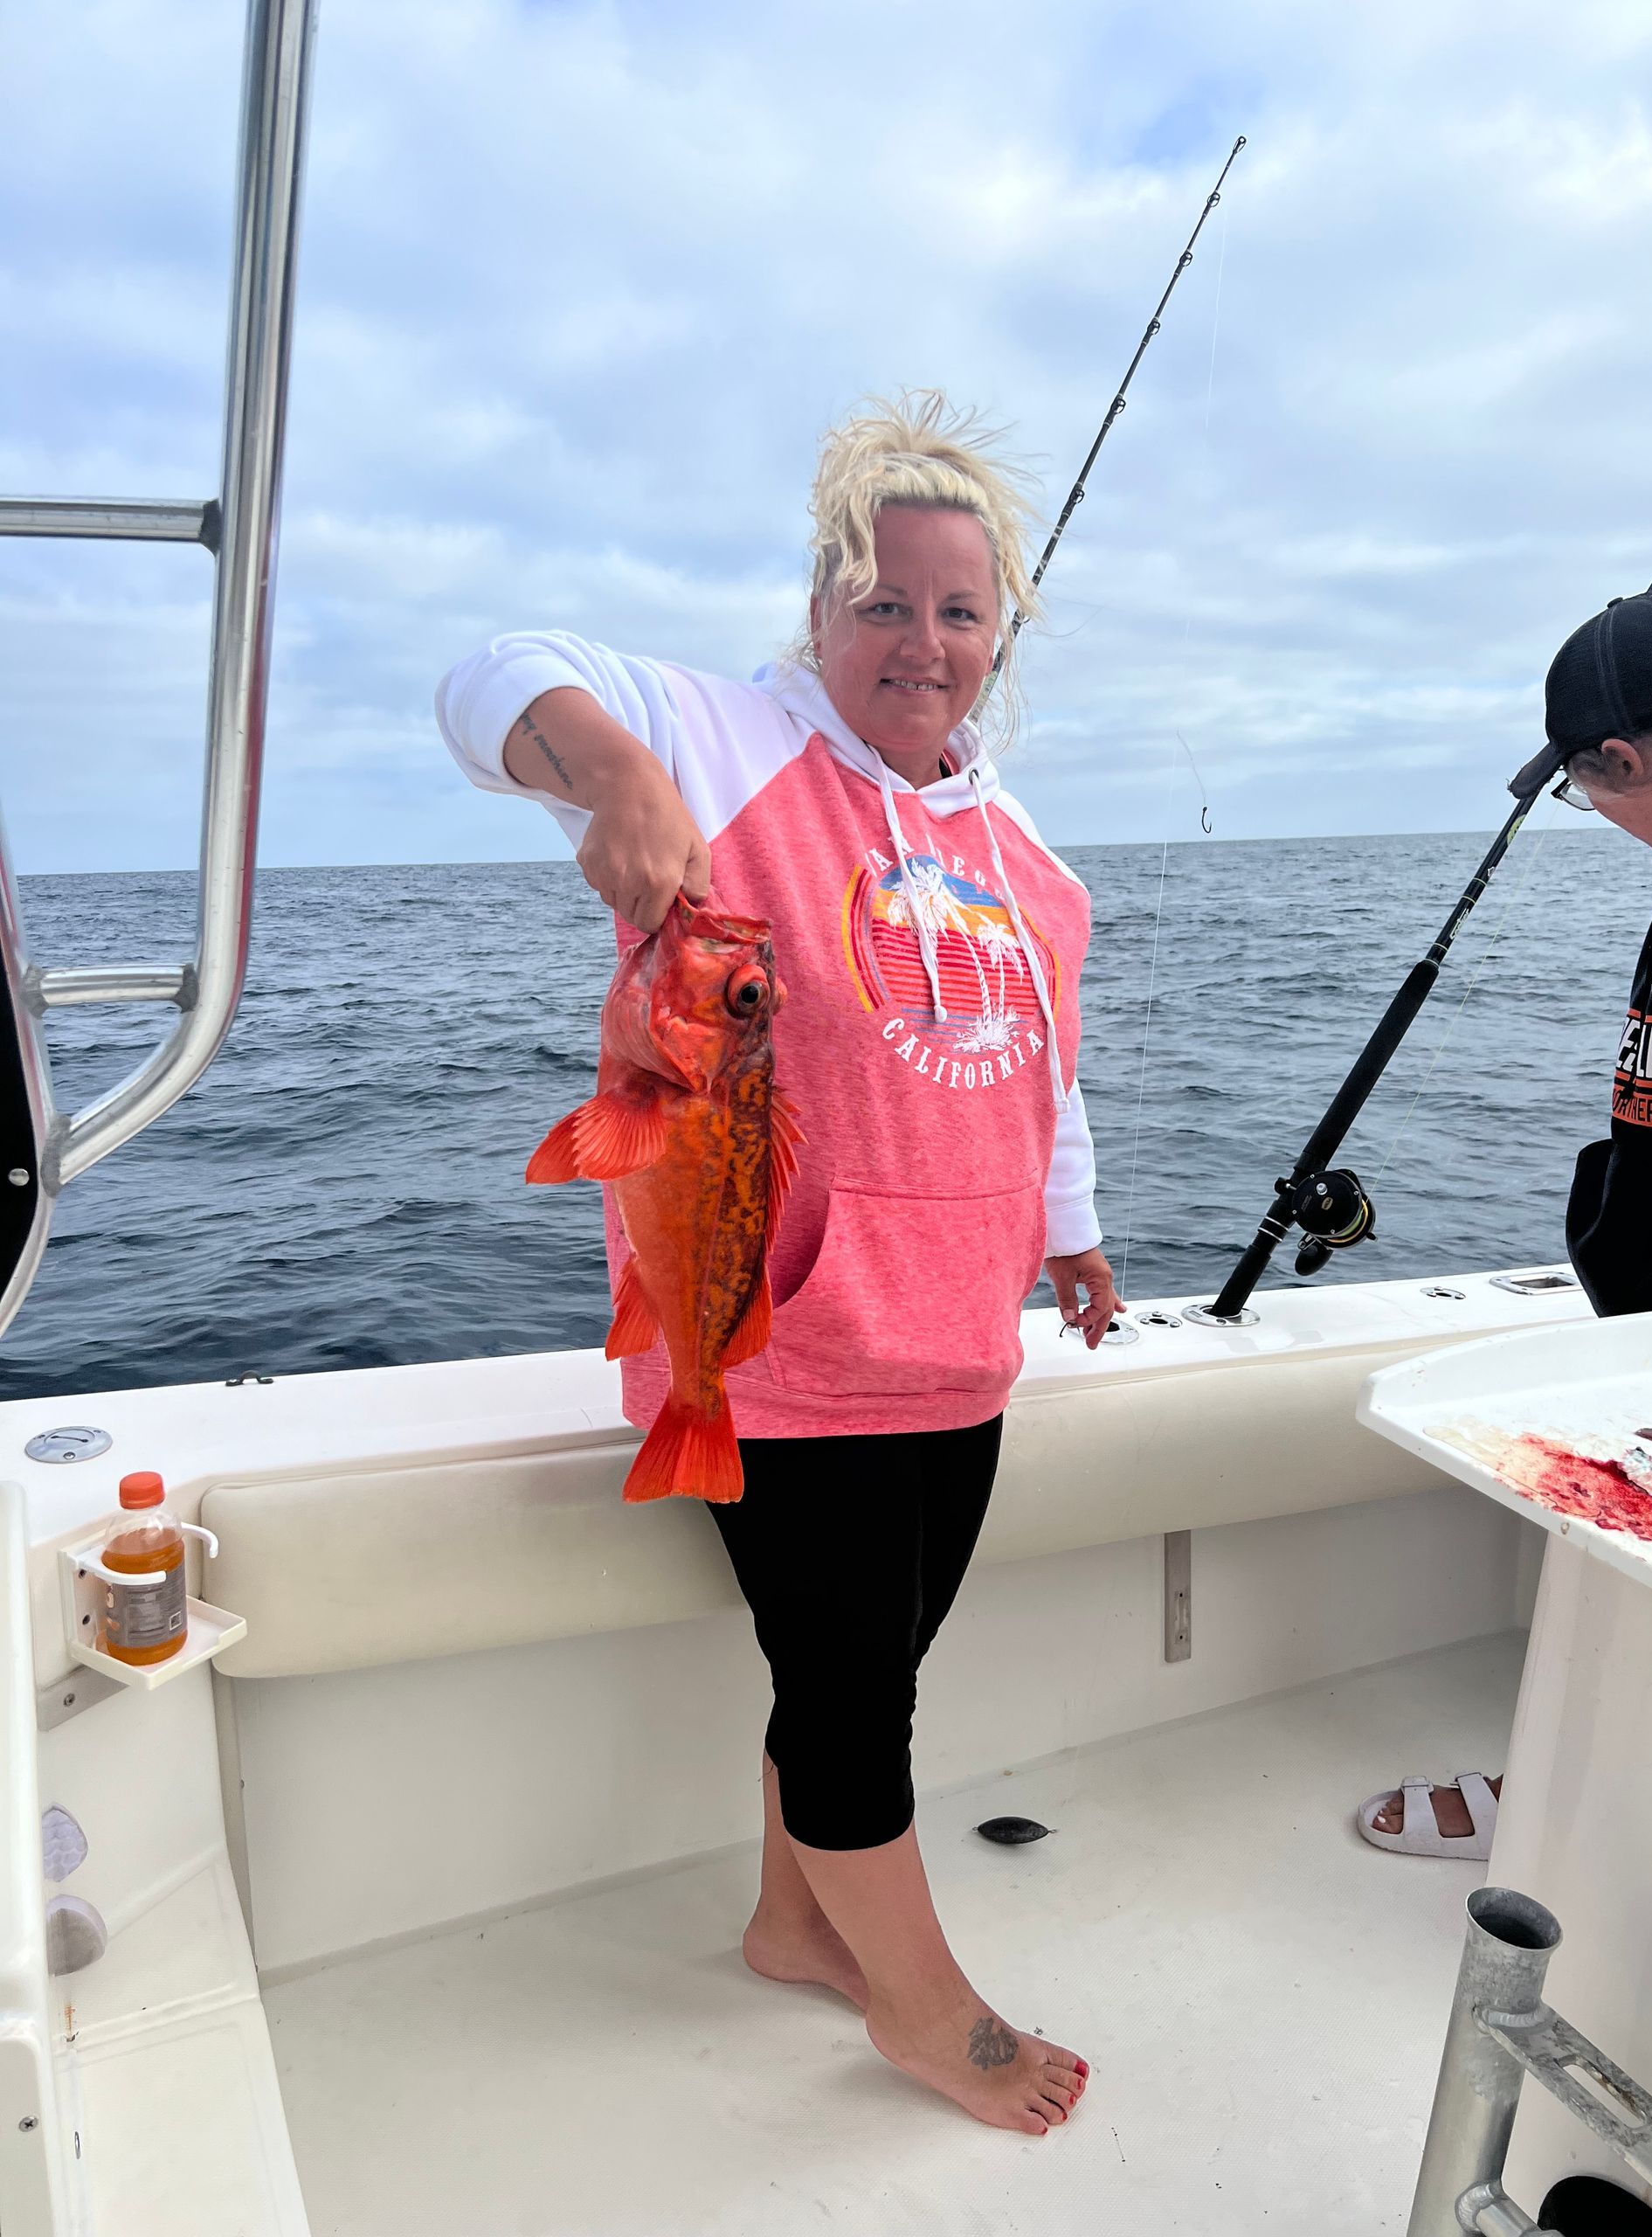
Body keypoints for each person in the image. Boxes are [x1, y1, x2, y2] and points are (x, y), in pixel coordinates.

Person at [436, 391, 1116, 2135]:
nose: (922, 638)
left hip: (960, 1343)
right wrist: (617, 770)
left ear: (999, 636)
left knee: (869, 1674)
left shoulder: (1028, 857)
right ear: (820, 611)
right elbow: (488, 674)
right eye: (884, 600)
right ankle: (926, 2009)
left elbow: (1049, 1072)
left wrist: (1074, 1233)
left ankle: (794, 1919)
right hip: (777, 1341)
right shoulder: (729, 740)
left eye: (961, 610)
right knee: (845, 1708)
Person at [1358, 589, 1652, 1861]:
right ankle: (1572, 1798)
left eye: (1586, 790)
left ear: (1620, 759)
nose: (1595, 817)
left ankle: (1567, 1819)